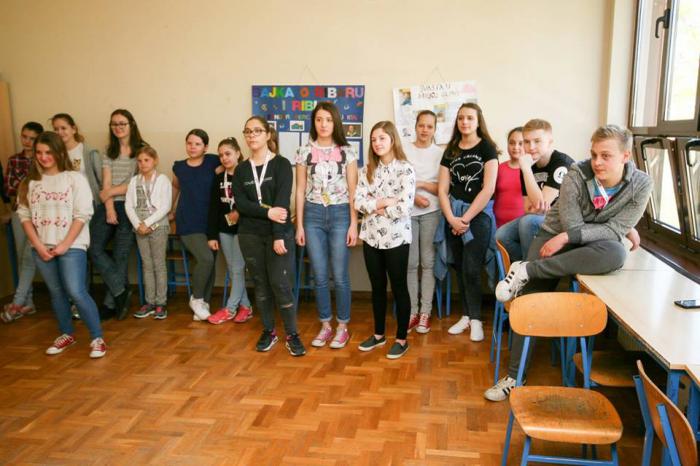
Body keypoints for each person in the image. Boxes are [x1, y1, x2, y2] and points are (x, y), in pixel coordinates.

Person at [485, 125, 653, 402]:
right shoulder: (577, 172)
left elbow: (611, 230)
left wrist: (618, 229)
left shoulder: (641, 184)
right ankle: (514, 376)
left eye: (606, 156)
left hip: (571, 239)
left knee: (616, 254)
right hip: (553, 234)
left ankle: (526, 269)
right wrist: (614, 229)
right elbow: (575, 223)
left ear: (626, 156)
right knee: (529, 301)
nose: (597, 162)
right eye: (594, 154)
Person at [16, 131, 106, 358]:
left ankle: (97, 338)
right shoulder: (29, 183)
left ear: (58, 152)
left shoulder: (75, 179)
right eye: (39, 152)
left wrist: (65, 244)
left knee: (76, 291)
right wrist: (38, 245)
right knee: (56, 293)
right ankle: (66, 334)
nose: (43, 157)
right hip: (41, 247)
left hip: (72, 246)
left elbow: (82, 214)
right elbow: (24, 217)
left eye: (48, 152)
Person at [232, 116, 305, 357]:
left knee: (280, 284)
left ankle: (292, 335)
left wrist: (278, 235)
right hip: (249, 234)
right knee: (261, 285)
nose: (252, 135)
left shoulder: (281, 164)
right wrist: (267, 211)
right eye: (248, 131)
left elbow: (282, 203)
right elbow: (242, 205)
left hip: (278, 234)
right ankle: (269, 331)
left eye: (257, 131)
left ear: (268, 134)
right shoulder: (241, 169)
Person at [295, 102, 358, 349]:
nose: (323, 124)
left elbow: (353, 191)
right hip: (312, 215)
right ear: (314, 122)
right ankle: (325, 325)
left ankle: (342, 326)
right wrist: (300, 225)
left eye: (328, 120)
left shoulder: (347, 152)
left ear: (335, 123)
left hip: (341, 213)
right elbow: (300, 190)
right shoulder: (303, 151)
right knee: (320, 275)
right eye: (319, 119)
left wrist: (353, 224)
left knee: (340, 275)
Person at [438, 103, 499, 341]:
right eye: (461, 118)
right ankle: (466, 315)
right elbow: (442, 189)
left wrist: (464, 219)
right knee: (459, 267)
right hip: (453, 215)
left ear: (478, 121)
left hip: (477, 216)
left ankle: (476, 320)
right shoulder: (451, 150)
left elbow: (488, 188)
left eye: (470, 118)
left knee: (472, 268)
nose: (465, 122)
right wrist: (452, 219)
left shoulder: (487, 147)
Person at [355, 121, 415, 360]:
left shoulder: (405, 169)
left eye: (382, 138)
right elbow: (358, 202)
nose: (377, 143)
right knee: (377, 287)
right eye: (373, 139)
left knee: (399, 287)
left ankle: (401, 339)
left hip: (397, 238)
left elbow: (404, 207)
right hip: (371, 238)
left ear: (392, 140)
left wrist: (375, 206)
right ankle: (378, 335)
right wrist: (383, 202)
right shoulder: (367, 170)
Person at [90, 109, 144, 320]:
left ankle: (110, 304)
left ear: (131, 124)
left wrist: (110, 192)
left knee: (120, 255)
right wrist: (110, 207)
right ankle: (121, 292)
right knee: (93, 248)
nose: (118, 127)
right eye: (114, 124)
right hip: (109, 205)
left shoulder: (142, 149)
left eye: (122, 123)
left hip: (131, 207)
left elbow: (137, 183)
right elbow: (105, 183)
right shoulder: (108, 151)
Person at [495, 119, 574, 262]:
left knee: (529, 222)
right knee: (501, 235)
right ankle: (523, 265)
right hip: (543, 217)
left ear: (550, 142)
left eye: (537, 141)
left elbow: (540, 204)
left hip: (564, 220)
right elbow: (528, 208)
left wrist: (526, 170)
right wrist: (526, 169)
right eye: (526, 141)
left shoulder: (561, 163)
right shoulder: (526, 164)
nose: (531, 147)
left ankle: (529, 269)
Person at [170, 129, 220, 321]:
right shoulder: (179, 167)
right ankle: (196, 299)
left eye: (197, 144)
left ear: (205, 147)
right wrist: (170, 210)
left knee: (211, 263)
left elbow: (229, 171)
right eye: (189, 143)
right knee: (206, 259)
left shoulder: (213, 161)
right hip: (188, 221)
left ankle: (204, 303)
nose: (192, 147)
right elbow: (176, 187)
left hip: (211, 221)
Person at [206, 137, 253, 325]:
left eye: (228, 154)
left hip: (243, 229)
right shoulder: (219, 178)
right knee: (234, 270)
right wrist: (212, 235)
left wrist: (240, 212)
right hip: (224, 230)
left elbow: (254, 202)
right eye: (221, 155)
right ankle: (246, 306)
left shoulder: (247, 175)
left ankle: (230, 308)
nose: (224, 158)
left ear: (238, 153)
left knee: (238, 268)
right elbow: (214, 208)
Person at [404, 110, 442, 334]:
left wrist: (422, 184)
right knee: (411, 264)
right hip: (407, 213)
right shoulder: (404, 150)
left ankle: (425, 313)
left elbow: (442, 188)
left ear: (435, 129)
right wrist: (415, 196)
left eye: (429, 126)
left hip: (432, 213)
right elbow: (399, 183)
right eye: (421, 125)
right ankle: (412, 311)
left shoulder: (440, 153)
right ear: (415, 126)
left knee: (428, 263)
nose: (425, 130)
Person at [1, 121, 43, 322]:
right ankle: (27, 301)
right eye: (24, 137)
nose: (27, 141)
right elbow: (9, 189)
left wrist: (24, 185)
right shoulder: (14, 160)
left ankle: (21, 301)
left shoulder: (43, 159)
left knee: (30, 255)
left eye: (32, 139)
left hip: (41, 214)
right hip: (20, 211)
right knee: (21, 256)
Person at [125, 145, 171, 320]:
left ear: (155, 160)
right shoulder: (134, 181)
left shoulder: (162, 180)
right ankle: (149, 302)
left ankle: (161, 303)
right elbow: (129, 205)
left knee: (159, 264)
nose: (143, 164)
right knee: (147, 264)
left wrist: (147, 223)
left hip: (158, 226)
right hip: (140, 227)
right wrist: (138, 224)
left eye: (147, 160)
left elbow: (165, 206)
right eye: (140, 161)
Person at [493, 127, 525, 228]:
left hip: (522, 227)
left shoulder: (531, 170)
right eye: (512, 143)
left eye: (520, 143)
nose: (515, 147)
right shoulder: (498, 168)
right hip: (497, 225)